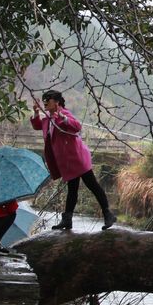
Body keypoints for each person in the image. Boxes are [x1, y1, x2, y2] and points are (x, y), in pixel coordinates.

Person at [31, 90, 115, 231]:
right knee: (72, 189)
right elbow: (37, 125)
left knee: (92, 185)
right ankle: (67, 220)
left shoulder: (64, 114)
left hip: (77, 157)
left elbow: (77, 126)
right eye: (44, 99)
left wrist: (63, 118)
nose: (44, 102)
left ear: (57, 102)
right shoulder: (47, 118)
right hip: (68, 161)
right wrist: (35, 112)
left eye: (48, 100)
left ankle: (108, 214)